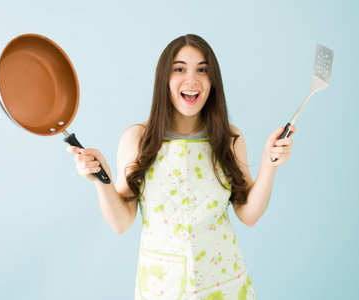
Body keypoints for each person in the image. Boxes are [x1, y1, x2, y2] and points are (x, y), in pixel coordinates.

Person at [67, 34, 296, 300]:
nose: (191, 79)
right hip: (161, 289)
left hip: (224, 285)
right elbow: (121, 222)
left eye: (202, 70)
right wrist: (100, 180)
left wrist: (270, 164)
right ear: (164, 79)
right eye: (179, 69)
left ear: (213, 83)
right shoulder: (137, 140)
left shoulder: (229, 138)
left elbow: (249, 215)